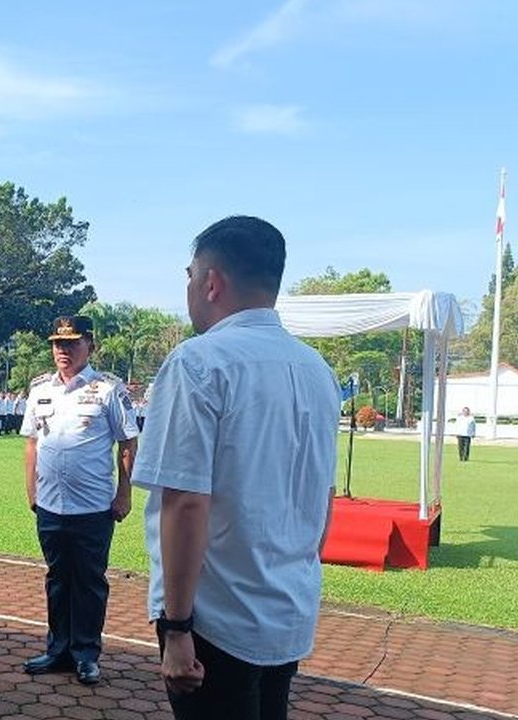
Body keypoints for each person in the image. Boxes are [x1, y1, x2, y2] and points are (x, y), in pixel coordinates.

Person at [133, 216, 339, 720]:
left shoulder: (199, 362)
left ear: (211, 281)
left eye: (189, 275)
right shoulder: (317, 369)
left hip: (216, 618)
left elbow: (184, 500)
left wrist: (177, 627)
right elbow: (323, 494)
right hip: (286, 606)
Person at [19, 315, 138, 686]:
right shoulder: (40, 389)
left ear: (90, 345)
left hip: (93, 507)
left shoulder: (108, 389)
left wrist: (124, 492)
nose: (62, 350)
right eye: (57, 343)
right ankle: (58, 650)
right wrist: (32, 490)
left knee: (88, 581)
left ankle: (86, 654)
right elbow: (32, 442)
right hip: (50, 504)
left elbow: (128, 442)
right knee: (57, 579)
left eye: (71, 343)